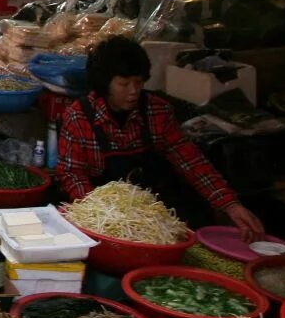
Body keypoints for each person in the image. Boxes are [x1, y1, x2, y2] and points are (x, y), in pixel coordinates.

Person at [58, 37, 266, 241]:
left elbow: (192, 163)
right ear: (104, 84)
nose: (133, 91)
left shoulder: (157, 111)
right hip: (105, 219)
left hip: (155, 215)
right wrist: (103, 216)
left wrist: (230, 204)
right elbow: (73, 174)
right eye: (124, 84)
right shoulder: (79, 117)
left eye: (138, 83)